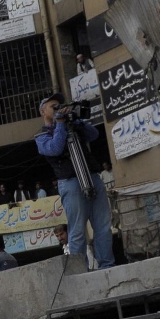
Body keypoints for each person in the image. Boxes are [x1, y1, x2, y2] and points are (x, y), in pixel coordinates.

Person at [35, 94, 115, 270]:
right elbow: (55, 148)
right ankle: (79, 271)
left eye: (59, 105)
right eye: (52, 106)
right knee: (77, 231)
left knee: (102, 226)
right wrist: (61, 124)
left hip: (91, 176)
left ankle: (107, 266)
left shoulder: (72, 125)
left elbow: (94, 134)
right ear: (43, 112)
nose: (58, 108)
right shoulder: (41, 136)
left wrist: (77, 121)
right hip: (70, 182)